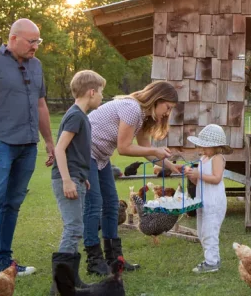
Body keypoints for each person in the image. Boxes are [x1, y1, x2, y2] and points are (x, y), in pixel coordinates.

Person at [0, 19, 55, 278]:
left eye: (38, 41)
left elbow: (41, 106)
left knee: (13, 204)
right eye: (31, 41)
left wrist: (48, 141)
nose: (35, 47)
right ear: (13, 38)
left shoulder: (36, 66)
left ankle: (3, 262)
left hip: (28, 145)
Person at [83, 80, 180, 276]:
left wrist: (172, 167)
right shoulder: (132, 108)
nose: (167, 113)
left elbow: (147, 151)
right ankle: (94, 261)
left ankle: (114, 260)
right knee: (94, 205)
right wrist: (154, 149)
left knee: (111, 204)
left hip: (100, 156)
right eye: (167, 107)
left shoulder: (143, 117)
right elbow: (124, 147)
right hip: (84, 152)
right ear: (157, 99)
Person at [50, 70, 105, 292]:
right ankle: (60, 286)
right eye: (101, 92)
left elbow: (75, 152)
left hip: (77, 178)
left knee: (76, 228)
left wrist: (82, 178)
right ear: (91, 92)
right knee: (73, 228)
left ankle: (71, 279)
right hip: (68, 178)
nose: (102, 96)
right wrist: (67, 180)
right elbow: (60, 149)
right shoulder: (75, 116)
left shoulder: (81, 116)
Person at [184, 124, 230, 273]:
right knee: (202, 232)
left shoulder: (217, 158)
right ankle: (212, 259)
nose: (202, 149)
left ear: (216, 146)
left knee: (210, 232)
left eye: (206, 147)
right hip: (203, 200)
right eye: (201, 146)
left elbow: (216, 178)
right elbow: (199, 182)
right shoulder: (204, 158)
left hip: (214, 202)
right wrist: (192, 176)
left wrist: (198, 174)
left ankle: (211, 263)